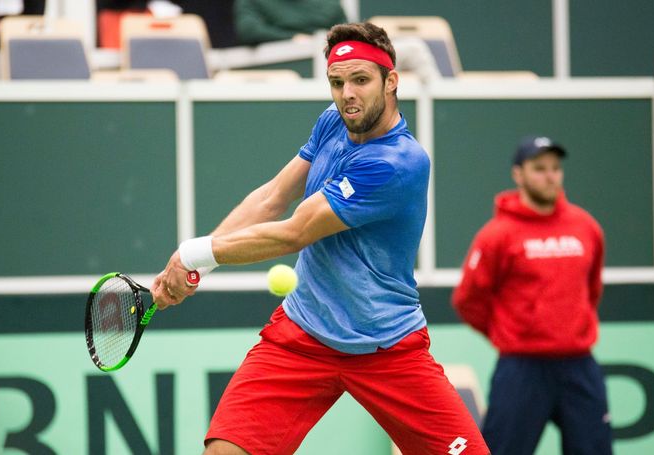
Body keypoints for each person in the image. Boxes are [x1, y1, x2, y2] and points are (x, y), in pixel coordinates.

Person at [153, 21, 489, 455]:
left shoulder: (398, 163)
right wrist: (194, 264)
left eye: (361, 80)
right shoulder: (332, 122)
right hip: (303, 334)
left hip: (388, 346)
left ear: (391, 82)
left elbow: (295, 232)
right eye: (337, 82)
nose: (347, 93)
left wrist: (193, 252)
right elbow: (274, 197)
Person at [452, 136, 613, 455]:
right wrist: (509, 332)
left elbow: (591, 288)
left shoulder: (586, 227)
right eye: (539, 168)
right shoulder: (497, 234)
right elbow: (468, 300)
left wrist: (571, 326)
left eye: (555, 168)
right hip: (521, 368)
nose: (550, 175)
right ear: (518, 175)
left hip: (579, 365)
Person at [233, 0, 346, 46]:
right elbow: (249, 31)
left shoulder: (329, 4)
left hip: (329, 66)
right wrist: (293, 38)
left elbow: (348, 35)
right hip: (273, 70)